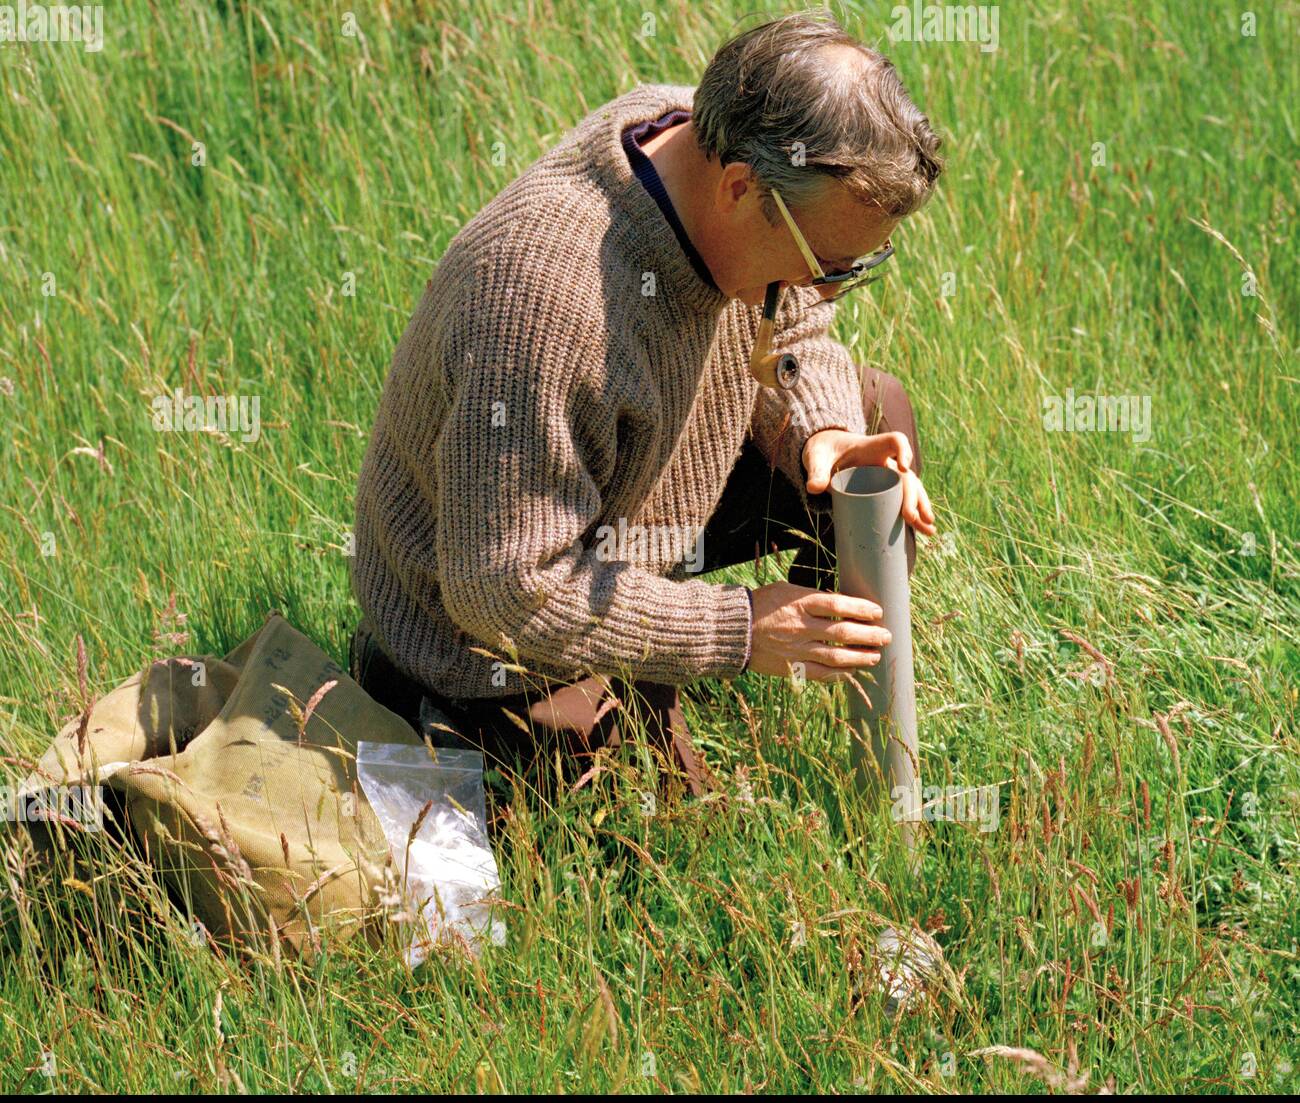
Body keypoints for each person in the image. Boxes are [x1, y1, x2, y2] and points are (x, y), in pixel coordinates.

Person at [349, 11, 943, 802]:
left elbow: (794, 320)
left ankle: (840, 701)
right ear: (740, 188)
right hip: (480, 624)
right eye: (827, 264)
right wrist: (736, 631)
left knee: (876, 409)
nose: (827, 289)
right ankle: (472, 708)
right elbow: (505, 588)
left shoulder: (706, 140)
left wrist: (824, 431)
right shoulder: (547, 305)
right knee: (657, 822)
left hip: (631, 516)